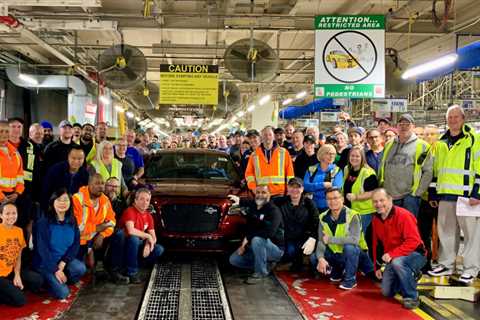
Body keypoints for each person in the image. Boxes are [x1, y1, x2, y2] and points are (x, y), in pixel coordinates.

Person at [428, 105, 480, 284]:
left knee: (472, 235)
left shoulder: (474, 139)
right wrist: (434, 193)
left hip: (467, 197)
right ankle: (446, 264)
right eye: (450, 117)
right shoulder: (441, 143)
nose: (453, 120)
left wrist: (477, 192)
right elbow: (436, 170)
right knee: (446, 232)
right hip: (445, 195)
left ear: (463, 119)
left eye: (456, 117)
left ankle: (470, 269)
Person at [371, 188, 426, 309]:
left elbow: (414, 241)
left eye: (382, 200)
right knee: (387, 292)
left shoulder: (404, 215)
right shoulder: (376, 219)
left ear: (390, 200)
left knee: (398, 262)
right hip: (394, 257)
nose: (378, 204)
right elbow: (376, 244)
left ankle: (412, 297)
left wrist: (392, 254)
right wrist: (377, 267)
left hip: (415, 254)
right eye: (375, 201)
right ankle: (410, 276)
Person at [312, 188, 373, 290]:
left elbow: (354, 240)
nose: (332, 201)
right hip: (337, 255)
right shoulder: (322, 217)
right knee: (314, 258)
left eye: (335, 198)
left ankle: (350, 280)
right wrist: (321, 259)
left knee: (350, 247)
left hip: (357, 255)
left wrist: (331, 239)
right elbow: (321, 240)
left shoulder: (352, 215)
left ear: (342, 199)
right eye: (329, 199)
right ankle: (337, 271)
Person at [32, 189, 87, 300]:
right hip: (46, 264)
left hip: (62, 261)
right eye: (59, 200)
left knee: (80, 268)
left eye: (65, 200)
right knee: (63, 293)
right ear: (52, 202)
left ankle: (60, 279)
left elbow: (75, 244)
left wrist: (62, 264)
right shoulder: (44, 222)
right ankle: (48, 282)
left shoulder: (72, 220)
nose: (62, 203)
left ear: (70, 202)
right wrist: (56, 269)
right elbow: (42, 250)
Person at [378, 114, 433, 217]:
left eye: (407, 124)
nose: (403, 127)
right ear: (397, 126)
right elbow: (382, 165)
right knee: (390, 228)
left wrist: (417, 193)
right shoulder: (389, 144)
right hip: (389, 195)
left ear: (413, 126)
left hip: (409, 197)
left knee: (407, 228)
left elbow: (428, 171)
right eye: (401, 124)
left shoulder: (422, 146)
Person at [228, 185, 284, 284]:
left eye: (263, 192)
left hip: (276, 249)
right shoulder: (254, 207)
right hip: (257, 247)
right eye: (258, 192)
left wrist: (248, 238)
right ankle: (265, 264)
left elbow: (269, 233)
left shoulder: (274, 211)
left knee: (257, 239)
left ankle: (260, 273)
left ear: (269, 195)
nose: (260, 195)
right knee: (234, 260)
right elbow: (249, 203)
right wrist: (239, 200)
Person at [109, 188, 164, 284]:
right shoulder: (130, 211)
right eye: (142, 199)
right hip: (124, 246)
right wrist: (148, 236)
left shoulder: (148, 216)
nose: (145, 202)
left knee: (159, 249)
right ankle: (132, 272)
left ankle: (135, 265)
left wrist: (147, 244)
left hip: (136, 248)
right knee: (134, 239)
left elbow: (153, 237)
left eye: (147, 200)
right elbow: (130, 231)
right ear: (135, 200)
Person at [0, 202, 43, 306]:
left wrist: (17, 274)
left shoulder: (18, 231)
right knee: (20, 301)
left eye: (14, 213)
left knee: (38, 280)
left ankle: (12, 287)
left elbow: (18, 255)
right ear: (1, 215)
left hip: (10, 271)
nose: (11, 216)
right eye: (7, 213)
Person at [274, 178, 318, 271]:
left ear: (302, 189)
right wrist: (242, 201)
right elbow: (264, 203)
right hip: (286, 238)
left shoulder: (309, 203)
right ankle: (294, 263)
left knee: (300, 252)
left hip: (303, 238)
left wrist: (312, 238)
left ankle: (302, 261)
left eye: (298, 187)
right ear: (288, 188)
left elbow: (315, 222)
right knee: (288, 252)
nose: (294, 190)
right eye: (291, 187)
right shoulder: (280, 201)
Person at [72, 174, 116, 268]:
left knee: (118, 236)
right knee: (80, 269)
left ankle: (112, 270)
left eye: (102, 183)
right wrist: (97, 228)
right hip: (78, 240)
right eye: (97, 183)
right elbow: (77, 228)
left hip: (95, 237)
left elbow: (112, 222)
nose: (100, 186)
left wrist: (101, 235)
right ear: (89, 185)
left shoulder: (105, 200)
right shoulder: (77, 199)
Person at [245, 126, 294, 197]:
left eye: (270, 135)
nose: (267, 137)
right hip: (261, 193)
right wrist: (253, 188)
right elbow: (249, 174)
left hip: (279, 193)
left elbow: (290, 174)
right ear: (261, 137)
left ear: (274, 136)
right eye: (265, 135)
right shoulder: (254, 155)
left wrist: (290, 190)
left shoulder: (284, 152)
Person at [8, 118, 40, 228]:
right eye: (13, 126)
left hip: (25, 193)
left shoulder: (30, 147)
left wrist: (35, 196)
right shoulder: (2, 145)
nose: (16, 129)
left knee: (23, 224)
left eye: (19, 127)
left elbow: (36, 172)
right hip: (5, 193)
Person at [343, 146, 378, 235]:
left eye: (357, 156)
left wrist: (356, 197)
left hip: (364, 212)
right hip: (350, 210)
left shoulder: (368, 172)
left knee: (359, 238)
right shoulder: (347, 169)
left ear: (362, 158)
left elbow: (373, 192)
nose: (354, 158)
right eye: (352, 156)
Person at [42, 145, 89, 210]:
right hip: (54, 208)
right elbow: (45, 191)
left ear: (84, 159)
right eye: (73, 158)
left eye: (80, 159)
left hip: (75, 210)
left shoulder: (85, 174)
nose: (76, 161)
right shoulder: (55, 170)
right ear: (68, 157)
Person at [304, 144, 343, 212]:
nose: (331, 156)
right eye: (328, 153)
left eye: (333, 154)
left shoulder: (337, 170)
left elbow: (335, 189)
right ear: (321, 154)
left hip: (330, 207)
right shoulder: (311, 169)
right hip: (312, 206)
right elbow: (305, 186)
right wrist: (323, 185)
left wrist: (313, 190)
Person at [0, 120, 24, 204]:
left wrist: (17, 193)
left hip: (13, 196)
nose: (4, 134)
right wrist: (1, 197)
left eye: (6, 131)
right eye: (1, 131)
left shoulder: (15, 152)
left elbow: (20, 176)